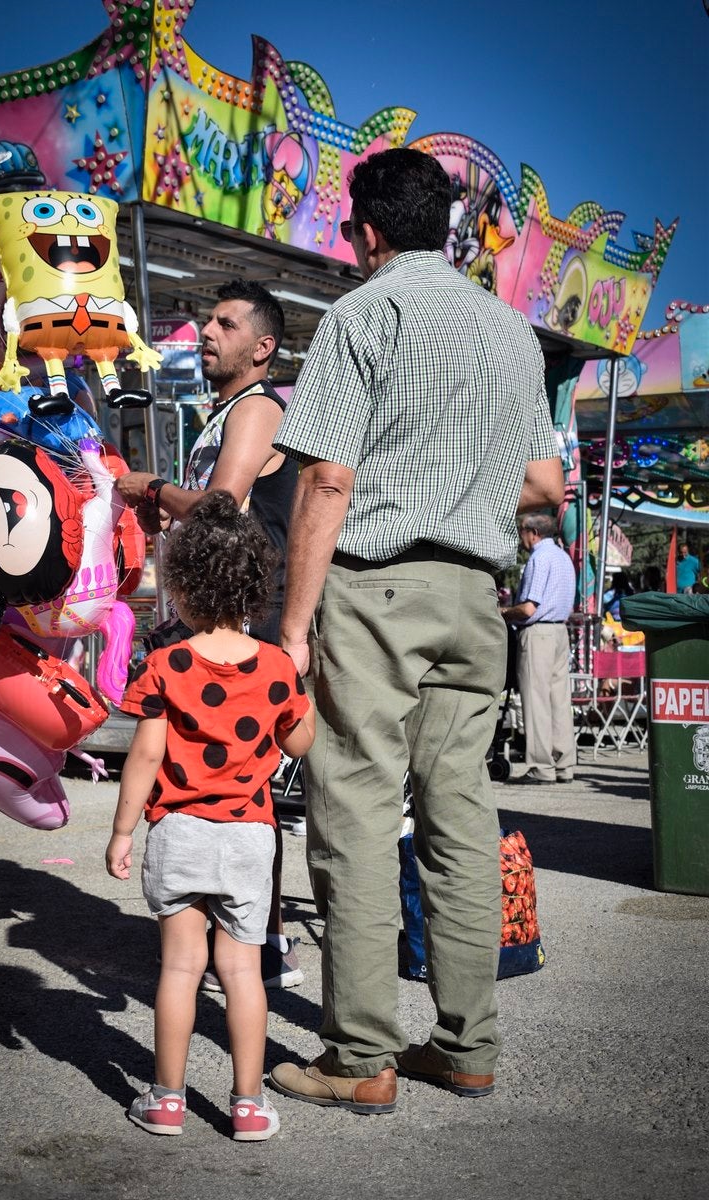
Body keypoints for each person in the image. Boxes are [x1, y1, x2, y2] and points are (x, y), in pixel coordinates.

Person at [266, 147, 564, 1114]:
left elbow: (327, 479)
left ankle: (360, 1059)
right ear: (445, 226)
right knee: (460, 815)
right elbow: (547, 491)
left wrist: (295, 623)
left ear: (366, 232)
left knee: (352, 814)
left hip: (375, 584)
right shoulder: (514, 333)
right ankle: (467, 1045)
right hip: (478, 594)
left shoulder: (365, 313)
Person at [105, 492, 315, 1140]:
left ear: (185, 588)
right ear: (255, 587)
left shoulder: (167, 666)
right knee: (243, 973)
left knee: (179, 969)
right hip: (250, 837)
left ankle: (167, 1099)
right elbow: (300, 742)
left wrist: (121, 831)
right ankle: (248, 1104)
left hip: (179, 832)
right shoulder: (277, 668)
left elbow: (144, 755)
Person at [117, 279, 303, 989]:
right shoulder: (224, 411)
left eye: (225, 323)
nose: (206, 331)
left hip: (245, 620)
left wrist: (153, 489)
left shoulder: (256, 408)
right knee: (205, 778)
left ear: (262, 347)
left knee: (242, 786)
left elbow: (222, 504)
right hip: (209, 612)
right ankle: (232, 937)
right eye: (206, 320)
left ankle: (262, 940)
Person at [499, 514, 577, 784]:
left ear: (533, 532)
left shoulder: (538, 558)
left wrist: (504, 612)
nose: (521, 537)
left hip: (538, 633)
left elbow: (529, 607)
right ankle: (564, 765)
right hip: (559, 631)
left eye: (522, 531)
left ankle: (541, 767)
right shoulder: (563, 557)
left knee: (536, 702)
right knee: (559, 701)